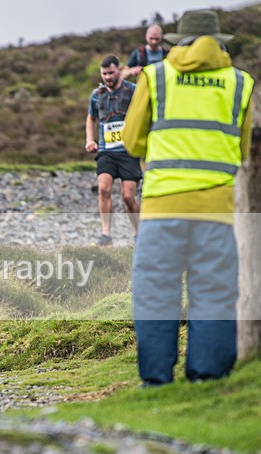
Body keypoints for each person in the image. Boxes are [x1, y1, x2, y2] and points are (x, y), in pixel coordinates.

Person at [123, 9, 254, 386]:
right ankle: (208, 379)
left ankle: (156, 380)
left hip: (163, 206)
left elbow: (132, 141)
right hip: (217, 209)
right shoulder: (241, 83)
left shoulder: (156, 76)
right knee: (214, 292)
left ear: (179, 42)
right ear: (219, 42)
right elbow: (242, 150)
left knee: (155, 291)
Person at [85, 55, 142, 247]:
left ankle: (138, 233)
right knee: (103, 188)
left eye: (111, 72)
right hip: (106, 151)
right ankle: (106, 235)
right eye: (104, 74)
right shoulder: (97, 94)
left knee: (128, 197)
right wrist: (89, 140)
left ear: (119, 70)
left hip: (128, 151)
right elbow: (91, 118)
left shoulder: (132, 91)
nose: (108, 77)